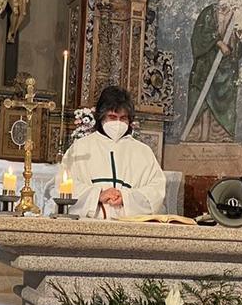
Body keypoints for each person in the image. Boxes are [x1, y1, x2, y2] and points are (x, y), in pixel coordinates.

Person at [62, 86, 165, 219]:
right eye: (112, 117)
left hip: (129, 227)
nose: (118, 123)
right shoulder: (80, 149)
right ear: (101, 116)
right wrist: (97, 195)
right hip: (89, 226)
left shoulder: (143, 152)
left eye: (123, 118)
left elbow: (156, 189)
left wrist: (127, 198)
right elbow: (63, 184)